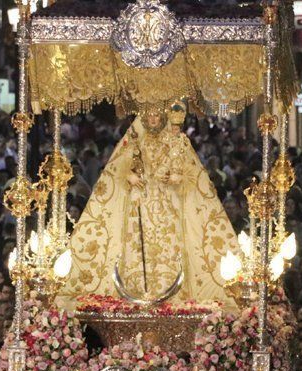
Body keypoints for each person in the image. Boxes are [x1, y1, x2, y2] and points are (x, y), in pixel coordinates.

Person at [59, 102, 240, 308]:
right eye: (150, 116)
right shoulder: (136, 141)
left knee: (170, 247)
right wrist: (130, 175)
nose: (153, 119)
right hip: (140, 204)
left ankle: (171, 290)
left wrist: (175, 176)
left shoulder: (176, 141)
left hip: (168, 207)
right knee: (136, 243)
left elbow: (189, 174)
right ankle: (136, 287)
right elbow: (119, 168)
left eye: (157, 115)